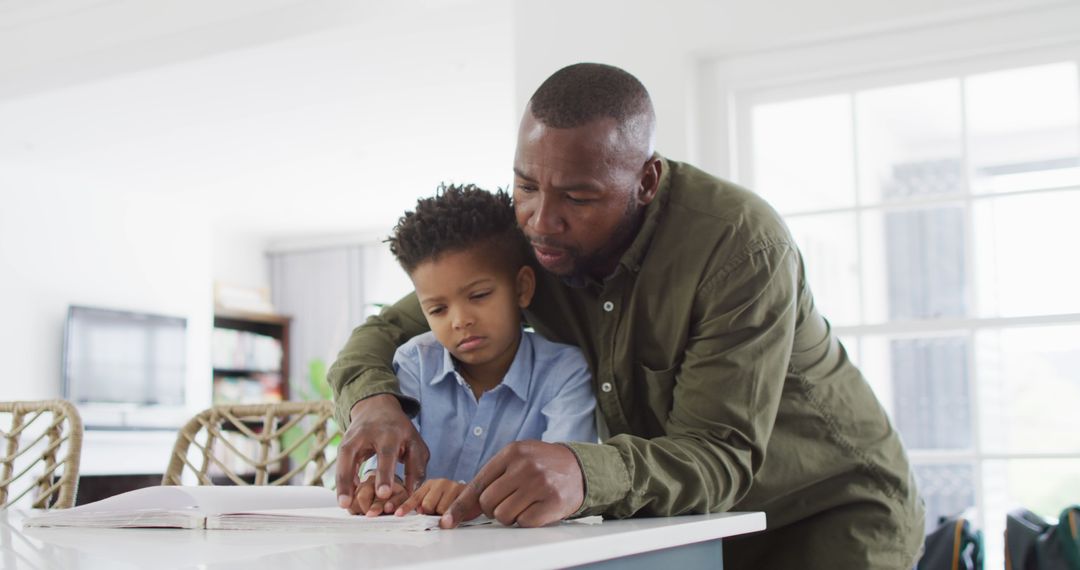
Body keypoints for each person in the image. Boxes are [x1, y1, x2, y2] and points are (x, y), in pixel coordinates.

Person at [330, 63, 925, 568]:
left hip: (828, 509)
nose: (541, 219)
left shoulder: (740, 245)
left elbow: (719, 453)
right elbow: (381, 333)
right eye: (525, 185)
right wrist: (374, 406)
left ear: (645, 180)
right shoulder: (526, 237)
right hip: (683, 526)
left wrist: (582, 472)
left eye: (578, 198)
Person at [347, 183, 597, 519]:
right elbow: (387, 466)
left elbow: (561, 484)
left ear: (522, 288)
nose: (460, 321)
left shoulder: (565, 372)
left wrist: (476, 500)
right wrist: (377, 486)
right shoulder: (413, 363)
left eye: (479, 296)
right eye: (437, 310)